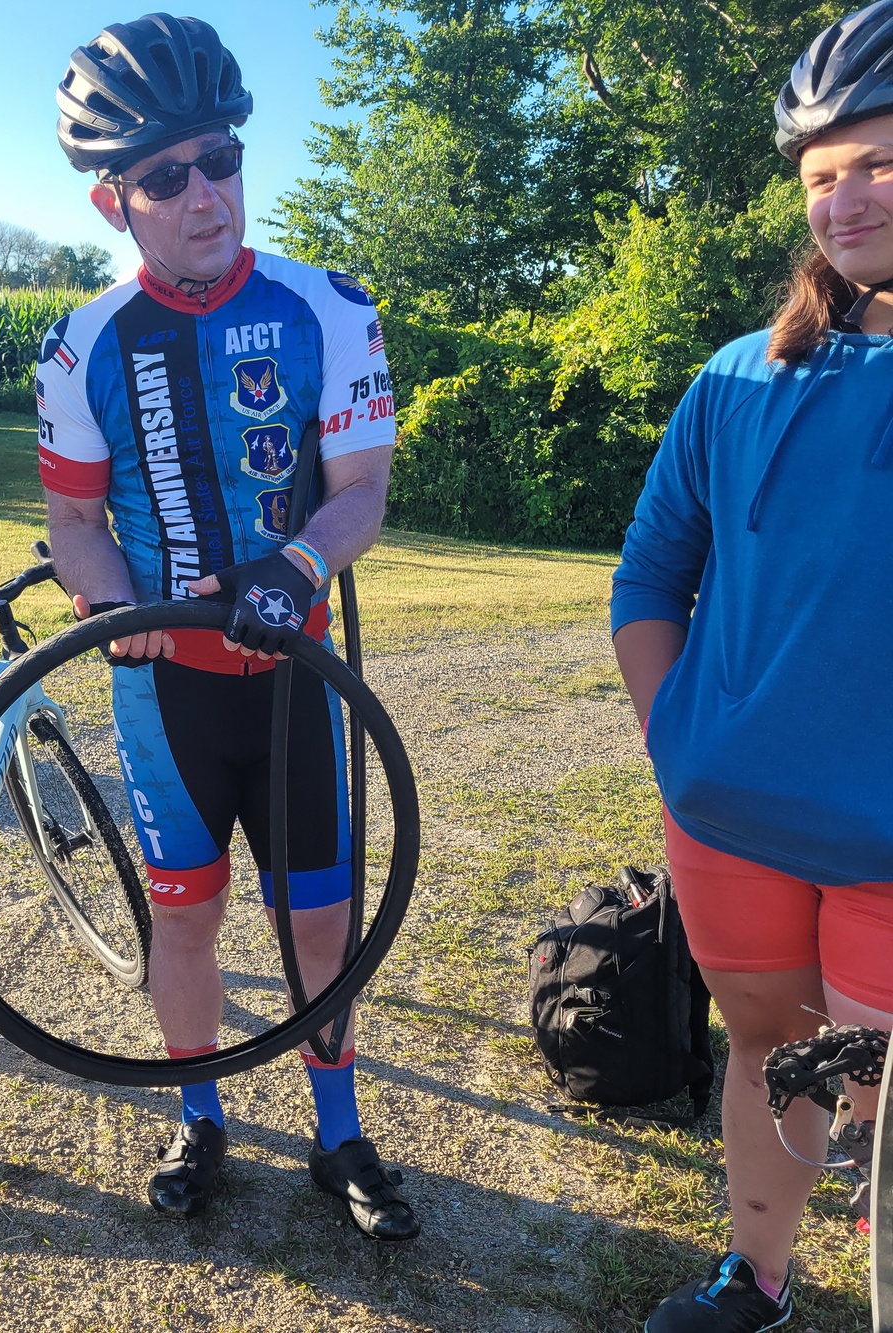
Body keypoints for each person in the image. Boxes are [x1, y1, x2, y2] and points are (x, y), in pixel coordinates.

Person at [38, 12, 418, 1239]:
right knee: (185, 912)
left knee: (316, 916)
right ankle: (197, 1110)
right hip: (163, 692)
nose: (204, 194)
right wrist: (108, 606)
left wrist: (298, 561)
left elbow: (360, 486)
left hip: (294, 672)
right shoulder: (82, 343)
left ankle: (337, 1128)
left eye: (221, 158)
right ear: (115, 203)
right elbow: (75, 522)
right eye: (164, 176)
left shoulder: (327, 305)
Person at [611, 2, 893, 1327]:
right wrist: (681, 740)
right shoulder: (734, 380)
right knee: (772, 1058)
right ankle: (760, 1281)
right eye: (823, 175)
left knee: (884, 1097)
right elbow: (649, 575)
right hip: (730, 822)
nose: (848, 199)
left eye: (881, 161)